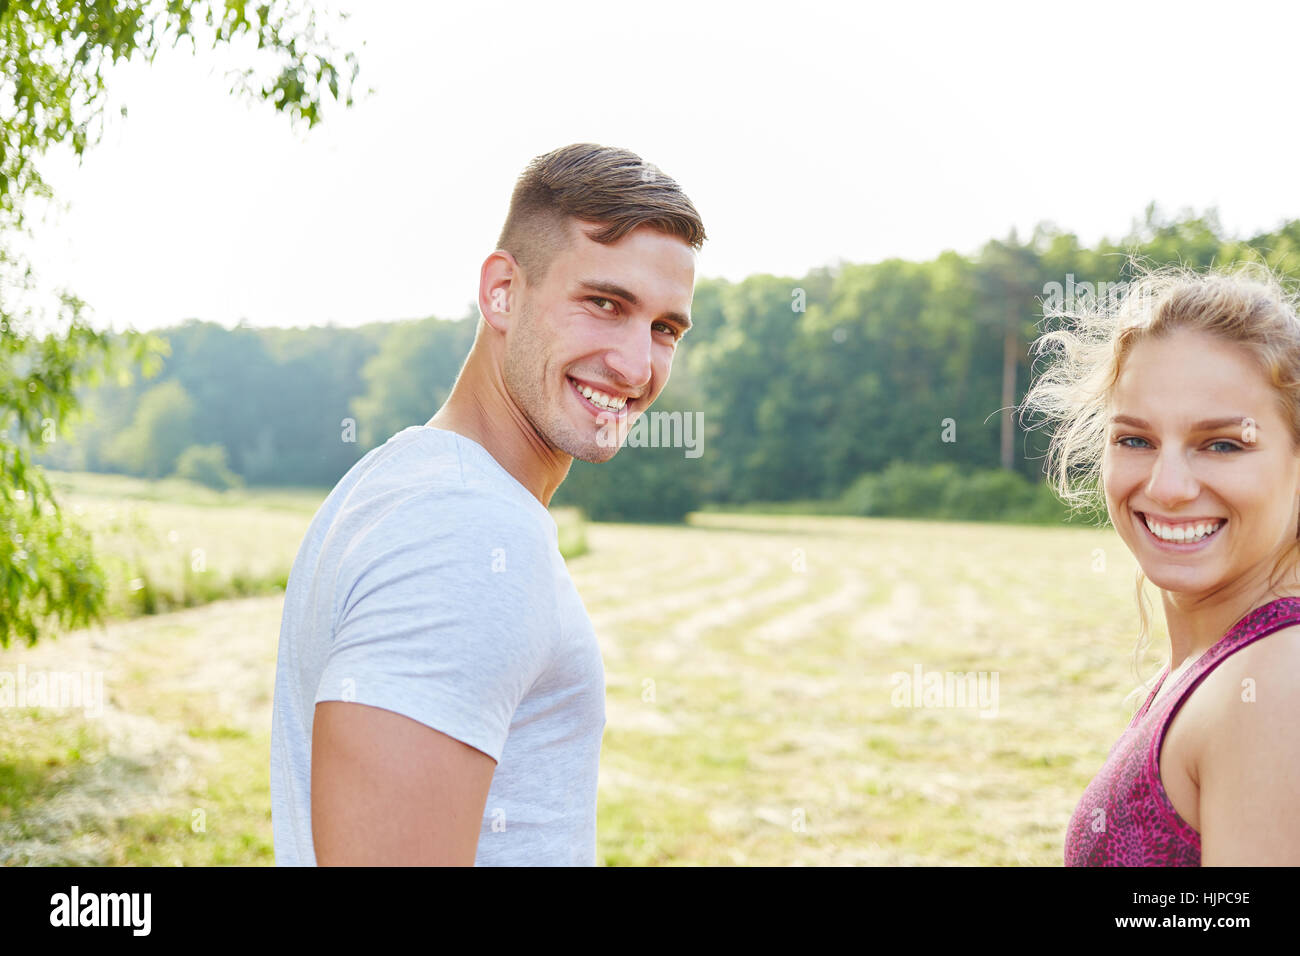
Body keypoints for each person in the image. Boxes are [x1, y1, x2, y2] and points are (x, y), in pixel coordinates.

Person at [269, 143, 706, 865]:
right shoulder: (466, 536)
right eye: (604, 304)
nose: (636, 366)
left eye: (665, 328)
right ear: (503, 290)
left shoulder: (406, 484)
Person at [1022, 263, 1300, 866]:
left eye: (1222, 444)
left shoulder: (1275, 685)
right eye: (1136, 440)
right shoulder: (1220, 666)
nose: (1167, 487)